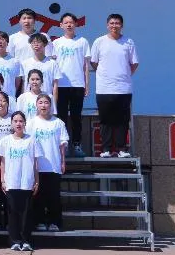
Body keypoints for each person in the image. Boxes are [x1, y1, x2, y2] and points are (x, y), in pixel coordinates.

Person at [90, 13, 138, 158]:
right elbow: (94, 62)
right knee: (105, 119)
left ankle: (121, 148)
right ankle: (106, 149)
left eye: (117, 23)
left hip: (123, 88)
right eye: (112, 23)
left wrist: (124, 75)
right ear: (107, 25)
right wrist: (106, 75)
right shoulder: (99, 41)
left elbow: (134, 63)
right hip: (104, 88)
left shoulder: (128, 42)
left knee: (122, 120)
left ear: (122, 25)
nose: (114, 26)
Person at [0, 111, 42, 251]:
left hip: (27, 182)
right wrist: (3, 180)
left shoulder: (32, 140)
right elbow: (2, 163)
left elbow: (35, 163)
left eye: (21, 121)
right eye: (15, 121)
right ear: (11, 123)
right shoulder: (5, 141)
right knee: (12, 212)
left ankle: (26, 240)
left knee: (26, 213)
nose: (18, 124)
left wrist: (36, 180)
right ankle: (15, 240)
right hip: (11, 181)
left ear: (25, 123)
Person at [27, 94, 69, 232]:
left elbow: (62, 144)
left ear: (50, 105)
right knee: (37, 195)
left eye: (46, 102)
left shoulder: (58, 123)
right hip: (37, 166)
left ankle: (54, 222)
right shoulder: (31, 123)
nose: (43, 105)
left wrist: (63, 161)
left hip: (53, 165)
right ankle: (39, 221)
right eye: (40, 102)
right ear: (36, 105)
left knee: (53, 196)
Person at [53, 13, 91, 158]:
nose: (69, 25)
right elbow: (53, 66)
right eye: (66, 22)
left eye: (71, 22)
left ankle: (76, 144)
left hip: (77, 85)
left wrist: (86, 84)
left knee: (76, 116)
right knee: (61, 117)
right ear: (61, 25)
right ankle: (63, 145)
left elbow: (86, 66)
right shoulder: (56, 43)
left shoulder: (82, 41)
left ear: (76, 24)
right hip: (61, 85)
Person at [19, 33, 59, 108]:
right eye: (33, 42)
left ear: (45, 44)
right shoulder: (25, 63)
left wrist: (54, 106)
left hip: (45, 103)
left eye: (39, 42)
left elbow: (55, 86)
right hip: (29, 103)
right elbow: (24, 84)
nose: (36, 45)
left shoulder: (52, 63)